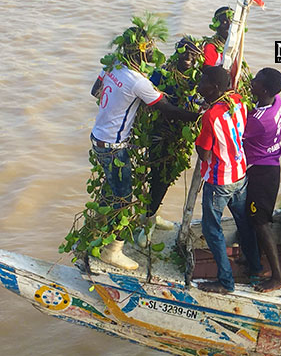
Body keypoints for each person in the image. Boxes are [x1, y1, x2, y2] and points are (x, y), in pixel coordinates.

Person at [89, 20, 198, 270]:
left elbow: (96, 91)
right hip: (114, 146)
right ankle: (112, 251)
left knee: (111, 191)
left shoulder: (113, 65)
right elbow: (167, 109)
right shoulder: (138, 81)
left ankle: (98, 233)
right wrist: (198, 116)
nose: (153, 53)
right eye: (149, 48)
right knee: (125, 199)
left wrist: (117, 103)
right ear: (139, 50)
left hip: (98, 137)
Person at [194, 65, 262, 294]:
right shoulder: (238, 101)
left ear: (213, 88)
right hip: (240, 173)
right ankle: (255, 269)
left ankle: (225, 281)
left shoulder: (210, 116)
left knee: (212, 229)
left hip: (219, 180)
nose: (199, 84)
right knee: (244, 223)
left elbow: (204, 153)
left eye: (203, 81)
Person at [137, 36, 204, 247]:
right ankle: (147, 222)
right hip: (159, 133)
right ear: (177, 52)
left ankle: (151, 216)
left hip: (180, 137)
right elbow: (148, 100)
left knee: (166, 178)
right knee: (156, 177)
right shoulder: (162, 73)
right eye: (185, 51)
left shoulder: (197, 78)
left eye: (193, 54)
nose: (188, 56)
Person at [242, 68, 281, 293]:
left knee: (260, 222)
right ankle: (256, 263)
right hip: (269, 167)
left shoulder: (259, 121)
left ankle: (278, 276)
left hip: (262, 172)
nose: (252, 81)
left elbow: (236, 128)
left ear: (265, 90)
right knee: (255, 218)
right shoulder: (276, 101)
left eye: (256, 81)